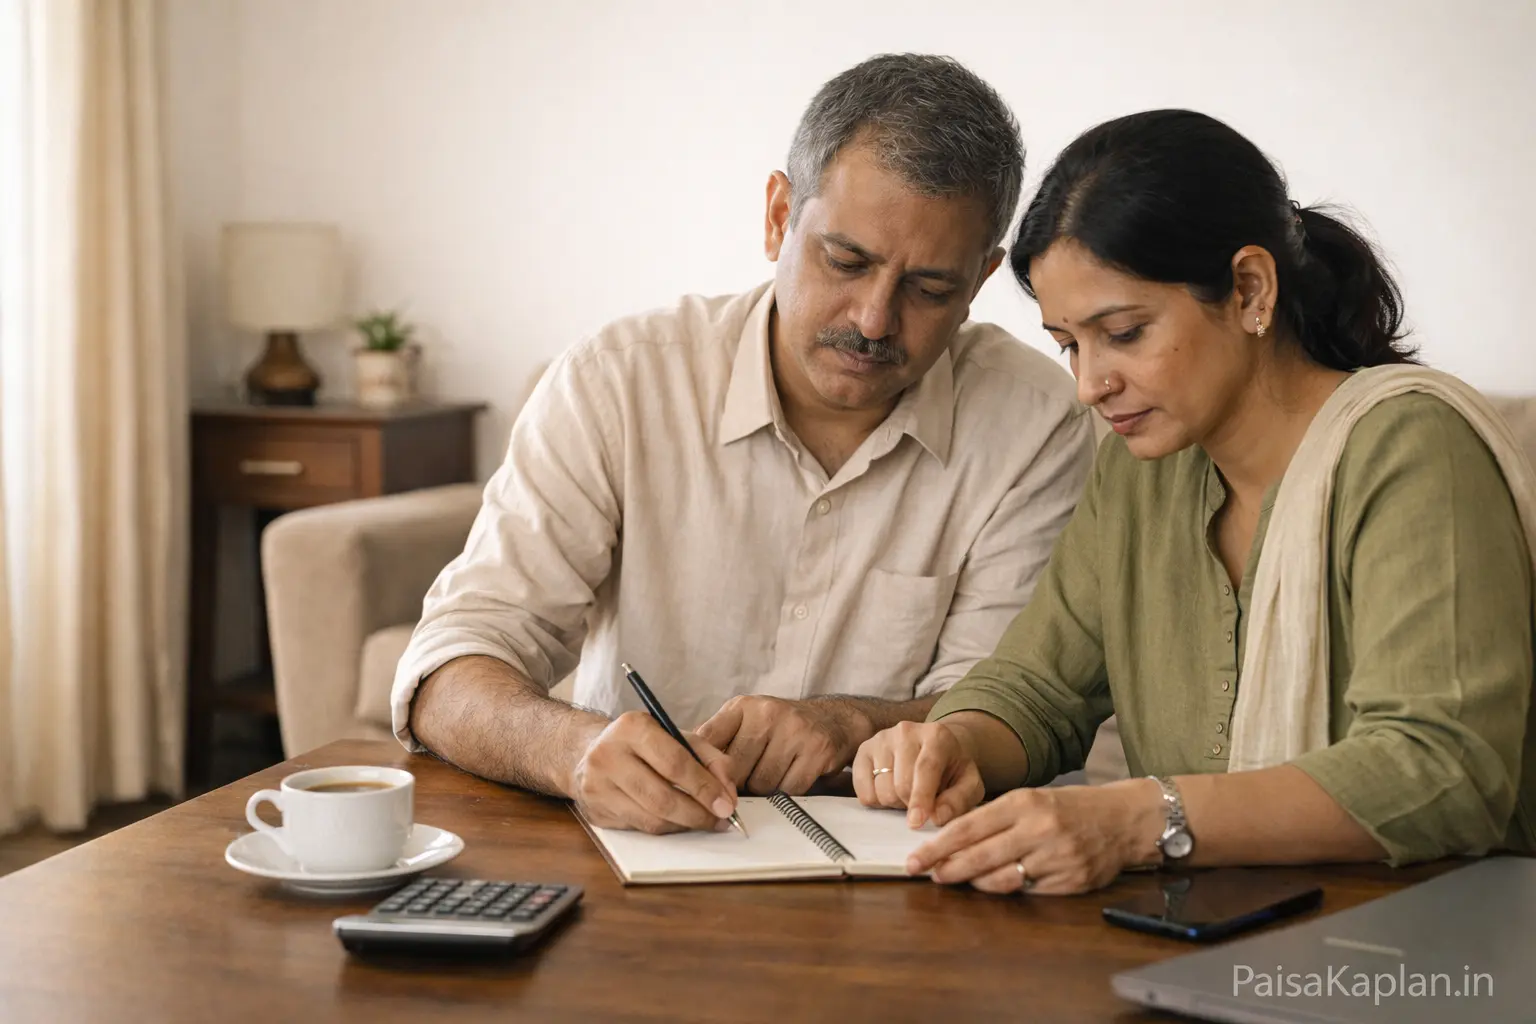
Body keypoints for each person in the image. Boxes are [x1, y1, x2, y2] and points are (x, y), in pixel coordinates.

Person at [392, 54, 1095, 834]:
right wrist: (574, 749)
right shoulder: (619, 382)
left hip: (896, 875)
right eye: (846, 261)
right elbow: (447, 668)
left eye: (929, 289)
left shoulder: (1036, 424)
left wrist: (848, 725)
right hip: (632, 853)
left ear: (980, 279)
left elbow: (1005, 700)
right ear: (777, 216)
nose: (872, 319)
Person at [855, 108, 1536, 894]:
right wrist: (952, 744)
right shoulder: (1144, 473)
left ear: (1250, 288)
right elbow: (1039, 689)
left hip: (1431, 949)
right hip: (1205, 937)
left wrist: (1136, 820)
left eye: (1125, 332)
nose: (1090, 385)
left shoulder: (1412, 449)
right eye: (1070, 344)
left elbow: (1443, 769)